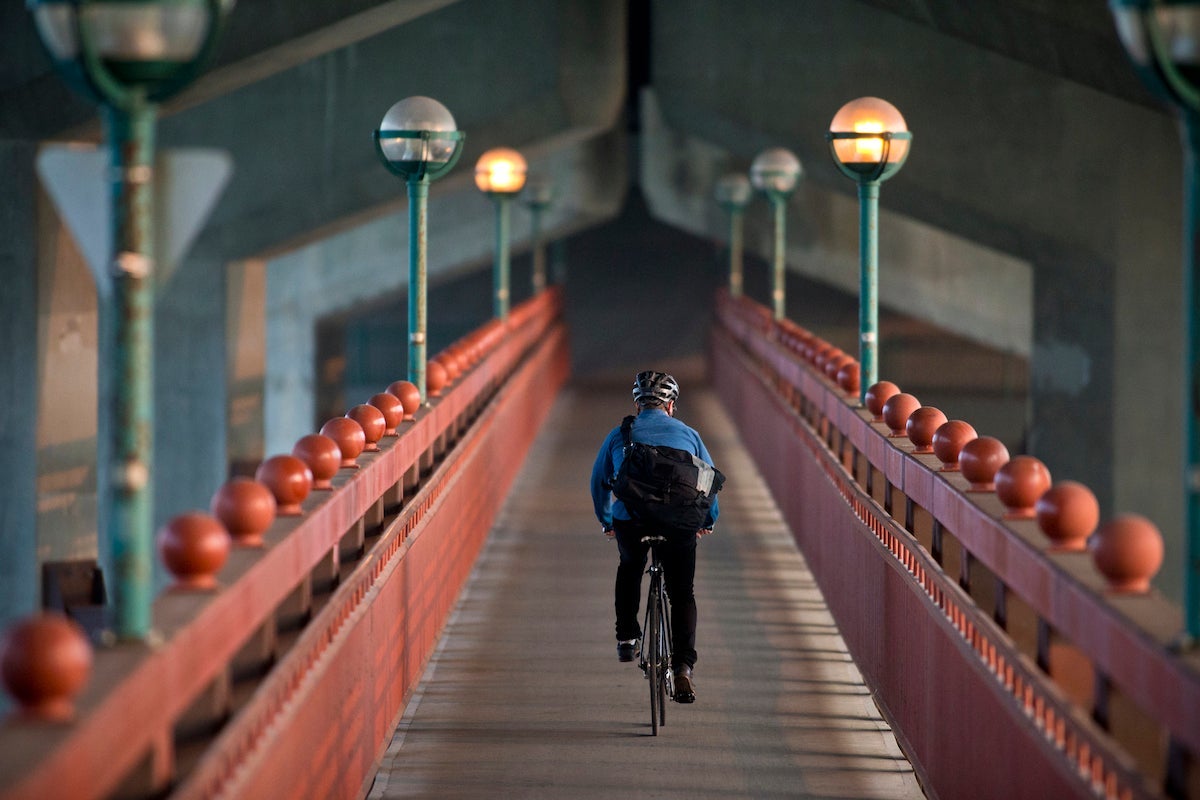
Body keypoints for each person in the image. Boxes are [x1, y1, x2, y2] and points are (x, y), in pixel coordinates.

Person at [589, 370, 720, 704]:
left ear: (637, 404)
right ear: (671, 405)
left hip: (632, 520)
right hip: (679, 522)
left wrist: (607, 521)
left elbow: (598, 483)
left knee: (631, 565)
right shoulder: (690, 434)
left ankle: (627, 638)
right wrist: (707, 519)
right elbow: (709, 482)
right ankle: (683, 669)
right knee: (682, 592)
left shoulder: (620, 435)